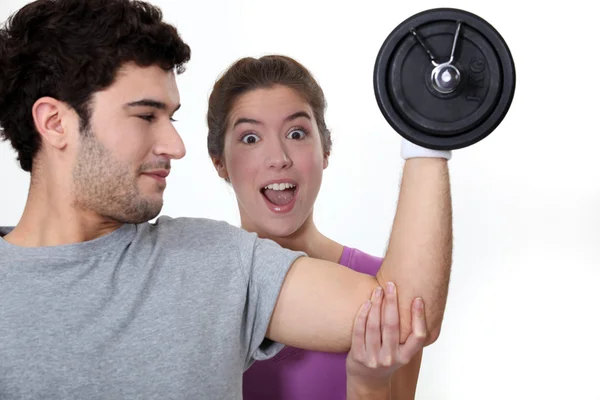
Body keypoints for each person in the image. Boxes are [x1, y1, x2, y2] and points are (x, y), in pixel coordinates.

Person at [0, 0, 453, 399]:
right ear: (55, 123)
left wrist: (427, 134)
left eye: (171, 117)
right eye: (145, 115)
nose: (175, 146)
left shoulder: (213, 261)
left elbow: (405, 314)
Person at [206, 55, 448, 399]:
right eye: (250, 138)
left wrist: (371, 384)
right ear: (220, 162)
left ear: (325, 150)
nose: (278, 157)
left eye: (296, 133)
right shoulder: (199, 286)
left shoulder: (389, 285)